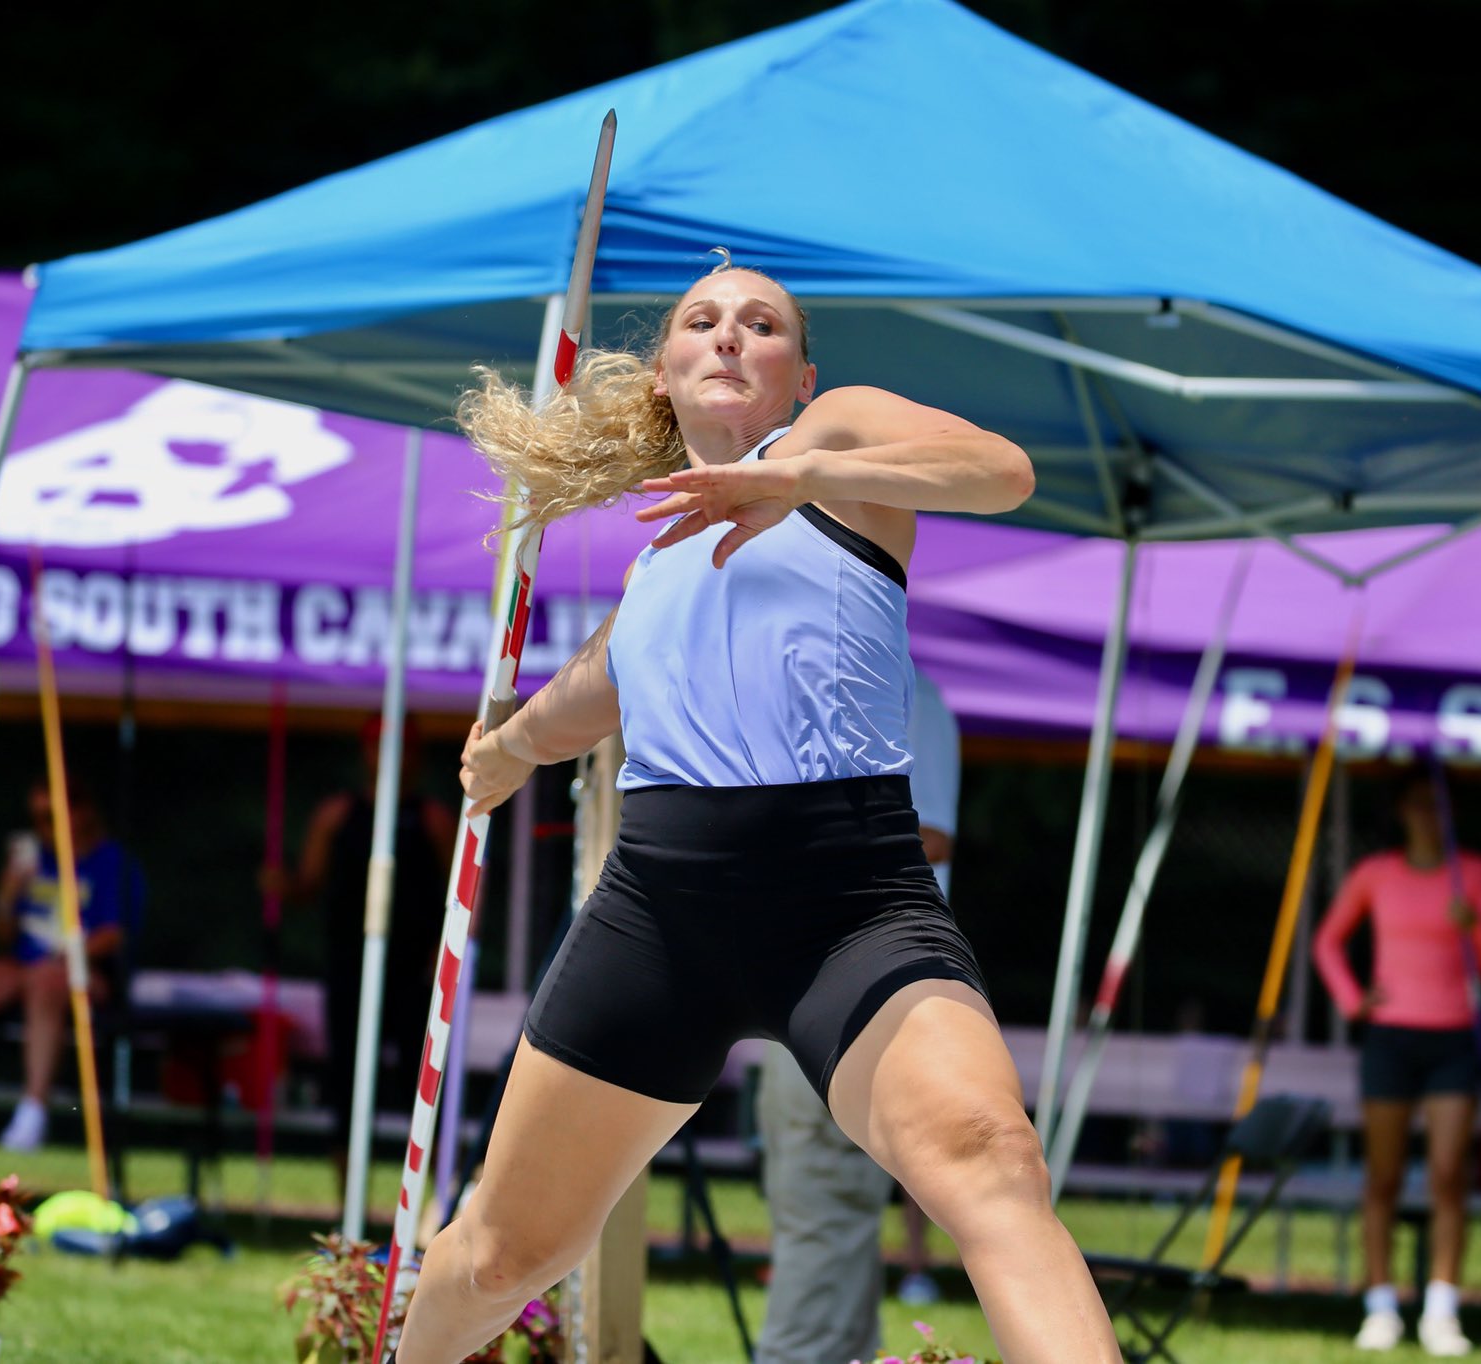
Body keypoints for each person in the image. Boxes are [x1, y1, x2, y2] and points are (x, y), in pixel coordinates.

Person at [386, 258, 1119, 1364]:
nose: (730, 334)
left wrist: (803, 473)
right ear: (666, 379)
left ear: (796, 371)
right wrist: (505, 753)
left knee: (991, 1158)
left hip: (849, 903)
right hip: (659, 919)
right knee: (501, 1252)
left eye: (760, 323)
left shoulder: (841, 437)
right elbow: (598, 682)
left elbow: (1000, 471)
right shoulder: (656, 565)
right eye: (702, 320)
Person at [754, 663, 960, 1364]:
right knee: (816, 1204)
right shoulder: (853, 685)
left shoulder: (897, 691)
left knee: (822, 1201)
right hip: (824, 980)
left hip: (849, 982)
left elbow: (927, 834)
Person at [1311, 773, 1481, 1357]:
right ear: (1402, 810)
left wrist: (1473, 928)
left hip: (1453, 1038)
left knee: (1449, 1173)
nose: (1430, 815)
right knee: (1384, 1176)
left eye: (1439, 805)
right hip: (1391, 1037)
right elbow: (1327, 942)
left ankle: (1442, 1309)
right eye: (1420, 804)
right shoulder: (1377, 873)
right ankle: (1380, 1306)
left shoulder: (1475, 874)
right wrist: (1354, 1001)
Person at [265, 716, 452, 1198]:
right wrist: (278, 886)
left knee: (423, 1084)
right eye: (381, 747)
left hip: (414, 974)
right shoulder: (337, 815)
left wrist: (442, 955)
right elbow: (309, 884)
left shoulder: (431, 819)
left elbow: (465, 890)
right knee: (347, 1084)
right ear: (366, 753)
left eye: (404, 748)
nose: (392, 758)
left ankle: (430, 1209)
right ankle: (348, 1204)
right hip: (349, 968)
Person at [0, 773, 145, 1153]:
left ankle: (33, 1111)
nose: (43, 828)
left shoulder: (112, 863)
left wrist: (72, 953)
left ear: (81, 813)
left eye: (51, 817)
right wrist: (7, 892)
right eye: (38, 819)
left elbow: (115, 933)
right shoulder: (33, 861)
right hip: (26, 965)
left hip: (85, 972)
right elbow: (3, 936)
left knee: (46, 983)